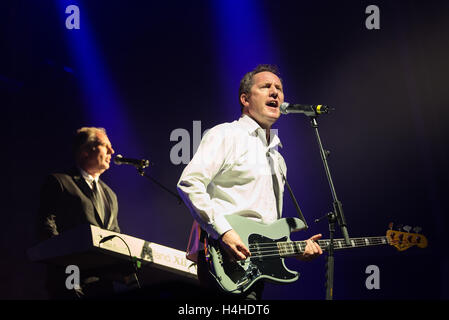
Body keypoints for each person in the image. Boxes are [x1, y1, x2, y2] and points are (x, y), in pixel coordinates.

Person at [177, 64, 323, 300]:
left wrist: (296, 250)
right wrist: (224, 232)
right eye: (266, 87)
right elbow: (189, 183)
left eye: (279, 88)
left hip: (253, 269)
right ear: (245, 99)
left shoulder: (278, 158)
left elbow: (266, 227)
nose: (275, 92)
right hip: (222, 258)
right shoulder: (226, 135)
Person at [37, 127, 121, 299]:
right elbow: (46, 226)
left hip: (102, 284)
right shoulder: (60, 182)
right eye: (106, 146)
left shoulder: (110, 195)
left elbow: (115, 236)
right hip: (69, 278)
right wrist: (65, 263)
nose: (112, 151)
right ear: (85, 151)